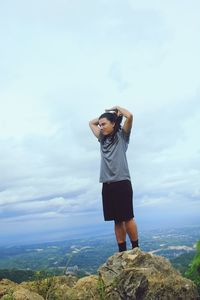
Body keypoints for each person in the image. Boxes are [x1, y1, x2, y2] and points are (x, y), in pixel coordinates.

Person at [89, 105, 139, 252]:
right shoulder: (102, 139)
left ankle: (136, 249)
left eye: (104, 124)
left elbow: (129, 116)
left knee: (127, 217)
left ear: (113, 124)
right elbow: (90, 123)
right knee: (117, 220)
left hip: (122, 182)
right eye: (100, 124)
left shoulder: (122, 136)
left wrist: (116, 109)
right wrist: (107, 115)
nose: (101, 126)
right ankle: (122, 251)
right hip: (107, 184)